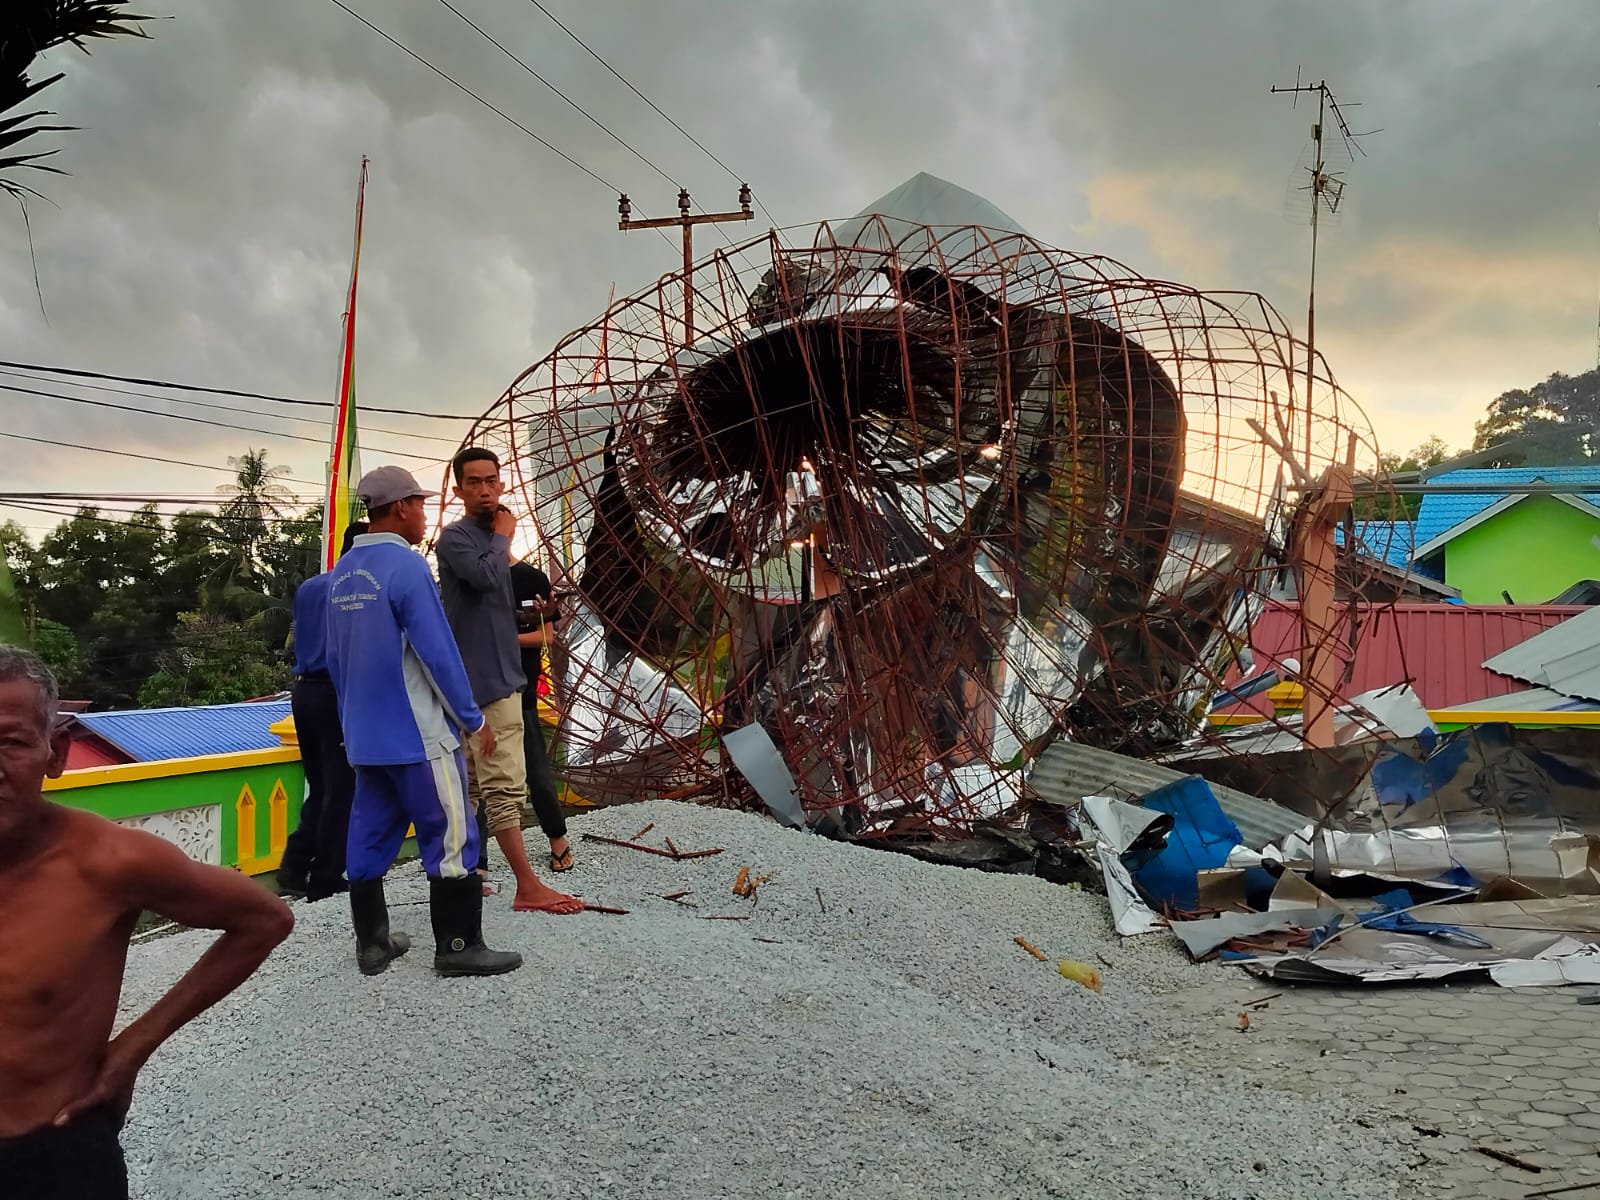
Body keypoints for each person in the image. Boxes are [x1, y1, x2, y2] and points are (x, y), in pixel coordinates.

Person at [0, 646, 293, 1199]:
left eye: (9, 742)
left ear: (55, 751)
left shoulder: (108, 862)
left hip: (54, 1152)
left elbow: (265, 919)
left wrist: (129, 1051)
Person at [326, 465, 524, 977]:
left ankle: (372, 944)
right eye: (417, 503)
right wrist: (471, 717)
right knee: (452, 833)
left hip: (365, 738)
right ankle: (459, 946)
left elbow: (337, 659)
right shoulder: (408, 568)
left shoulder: (342, 573)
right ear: (399, 509)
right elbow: (437, 653)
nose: (422, 513)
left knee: (369, 835)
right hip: (418, 735)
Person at [436, 447, 581, 916]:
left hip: (504, 678)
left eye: (490, 481)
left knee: (480, 786)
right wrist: (502, 537)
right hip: (480, 685)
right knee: (503, 786)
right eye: (473, 482)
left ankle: (465, 876)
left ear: (501, 486)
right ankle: (527, 886)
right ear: (459, 490)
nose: (483, 489)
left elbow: (534, 616)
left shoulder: (511, 559)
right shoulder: (456, 540)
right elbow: (484, 577)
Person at [278, 520, 368, 902]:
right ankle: (327, 876)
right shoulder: (357, 590)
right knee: (342, 788)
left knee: (321, 785)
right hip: (337, 691)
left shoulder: (311, 586)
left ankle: (293, 870)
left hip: (304, 692)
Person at [510, 558, 574, 872]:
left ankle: (557, 838)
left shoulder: (530, 578)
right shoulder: (470, 575)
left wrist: (505, 640)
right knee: (478, 778)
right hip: (482, 688)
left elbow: (547, 635)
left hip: (522, 687)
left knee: (535, 767)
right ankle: (477, 858)